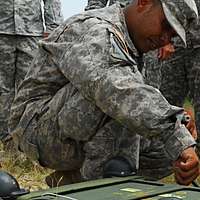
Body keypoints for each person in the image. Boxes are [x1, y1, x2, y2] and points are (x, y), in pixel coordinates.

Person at [9, 0, 199, 188]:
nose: (164, 38)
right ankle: (96, 187)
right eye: (165, 25)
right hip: (38, 129)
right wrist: (175, 132)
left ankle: (78, 182)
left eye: (172, 36)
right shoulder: (95, 28)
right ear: (144, 2)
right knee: (122, 104)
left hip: (72, 125)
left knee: (167, 149)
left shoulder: (133, 41)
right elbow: (119, 90)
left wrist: (181, 125)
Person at [0, 0, 63, 144]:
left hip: (31, 32)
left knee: (31, 88)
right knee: (2, 88)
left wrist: (53, 27)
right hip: (2, 30)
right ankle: (4, 138)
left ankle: (26, 138)